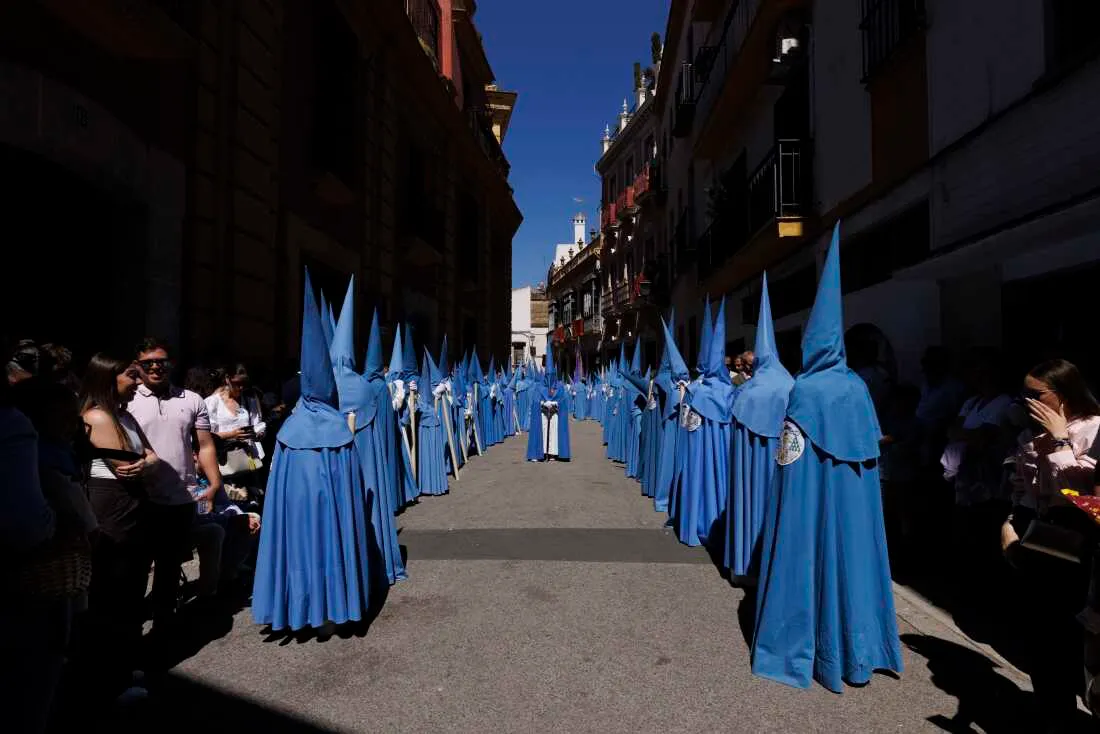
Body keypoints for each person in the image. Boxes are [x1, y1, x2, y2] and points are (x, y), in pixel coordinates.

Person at [752, 224, 903, 692]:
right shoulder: (858, 388)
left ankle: (809, 648)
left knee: (810, 557)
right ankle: (861, 652)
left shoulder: (806, 389)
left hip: (812, 503)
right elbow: (871, 446)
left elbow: (791, 467)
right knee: (855, 560)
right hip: (856, 504)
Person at [252, 271, 375, 632]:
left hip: (295, 505)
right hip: (327, 504)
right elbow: (351, 496)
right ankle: (332, 607)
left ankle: (297, 607)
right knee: (333, 538)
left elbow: (276, 485)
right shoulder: (338, 429)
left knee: (297, 543)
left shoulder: (289, 430)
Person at [1001, 359, 1100, 730]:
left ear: (1062, 395)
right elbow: (1029, 490)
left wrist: (1060, 442)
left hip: (1080, 541)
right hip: (1043, 536)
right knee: (1042, 634)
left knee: (1073, 637)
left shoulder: (1093, 430)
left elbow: (1080, 495)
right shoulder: (1033, 434)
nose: (1027, 401)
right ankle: (1050, 710)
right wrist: (1012, 522)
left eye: (1035, 394)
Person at [77, 354, 158, 710]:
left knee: (129, 592)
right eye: (132, 375)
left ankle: (123, 667)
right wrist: (144, 464)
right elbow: (126, 465)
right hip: (112, 510)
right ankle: (108, 681)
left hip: (132, 510)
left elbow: (153, 458)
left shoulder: (123, 415)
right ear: (108, 377)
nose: (139, 382)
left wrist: (145, 463)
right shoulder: (97, 416)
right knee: (112, 594)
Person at [128, 338, 223, 630]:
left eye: (162, 361)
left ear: (171, 364)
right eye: (148, 363)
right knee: (135, 568)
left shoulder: (192, 400)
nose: (156, 367)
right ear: (137, 366)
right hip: (138, 497)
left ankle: (162, 629)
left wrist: (215, 482)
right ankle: (129, 630)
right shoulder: (127, 398)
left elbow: (204, 445)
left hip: (181, 496)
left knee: (169, 567)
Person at [0, 376, 62, 734]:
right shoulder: (11, 426)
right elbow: (28, 522)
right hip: (22, 575)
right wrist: (59, 519)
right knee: (28, 684)